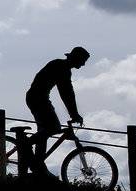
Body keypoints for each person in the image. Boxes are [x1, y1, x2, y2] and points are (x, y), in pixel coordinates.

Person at [26, 47, 90, 175]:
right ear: (76, 59)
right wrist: (74, 114)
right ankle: (26, 145)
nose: (83, 64)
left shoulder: (62, 66)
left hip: (39, 98)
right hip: (38, 98)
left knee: (44, 132)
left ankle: (38, 164)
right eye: (83, 61)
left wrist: (74, 113)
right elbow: (66, 93)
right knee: (53, 127)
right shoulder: (62, 68)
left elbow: (67, 93)